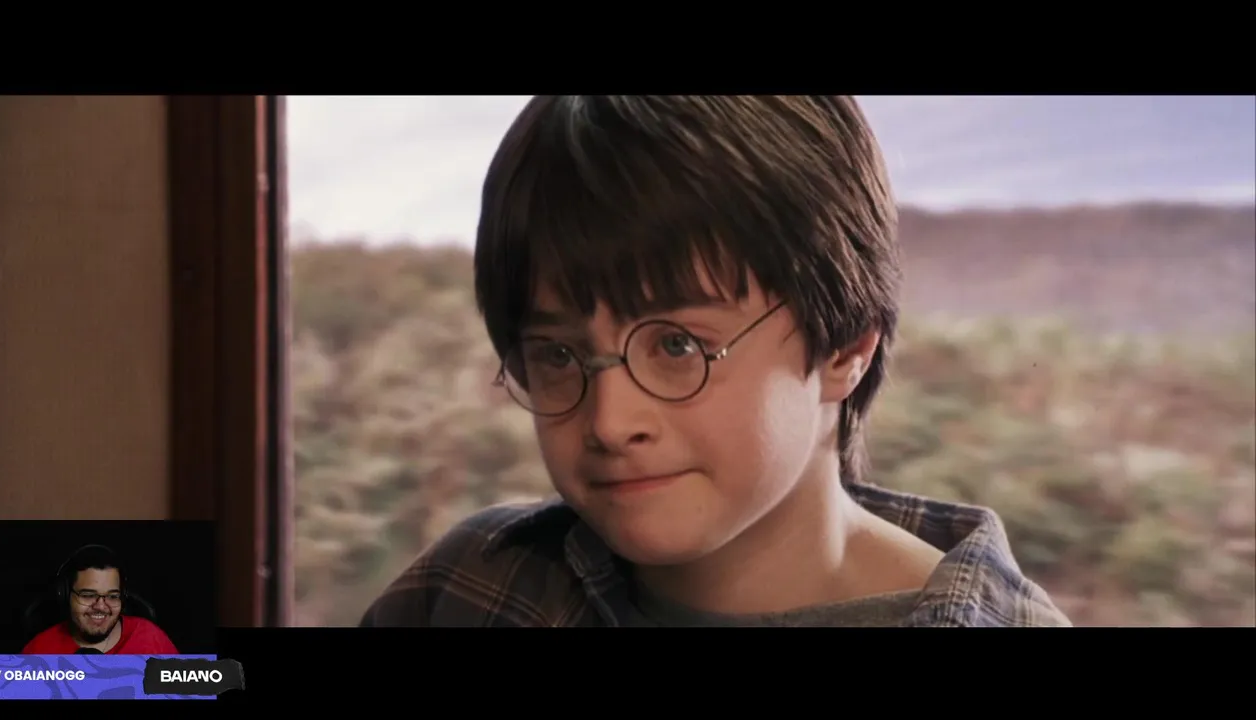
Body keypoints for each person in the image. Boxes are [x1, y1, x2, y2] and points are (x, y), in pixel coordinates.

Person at [360, 95, 1073, 627]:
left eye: (678, 346)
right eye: (559, 355)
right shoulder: (471, 589)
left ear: (846, 345)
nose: (610, 421)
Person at [22, 544, 180, 653]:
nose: (101, 606)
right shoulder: (38, 651)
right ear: (64, 595)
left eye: (112, 596)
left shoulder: (151, 639)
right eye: (88, 595)